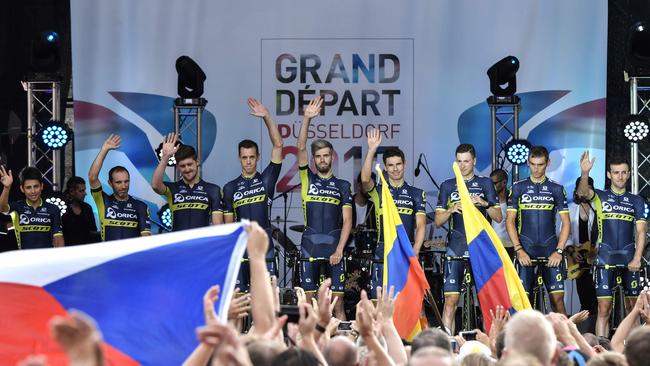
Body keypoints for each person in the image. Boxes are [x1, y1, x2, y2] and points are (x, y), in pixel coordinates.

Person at [576, 152, 647, 337]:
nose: (620, 176)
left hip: (629, 259)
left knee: (633, 311)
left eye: (624, 172)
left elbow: (641, 232)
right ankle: (602, 349)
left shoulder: (637, 201)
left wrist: (637, 258)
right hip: (604, 259)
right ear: (609, 174)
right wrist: (585, 173)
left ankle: (634, 353)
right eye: (616, 172)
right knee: (603, 310)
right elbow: (583, 193)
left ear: (629, 174)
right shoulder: (600, 196)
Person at [435, 143, 502, 333]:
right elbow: (438, 221)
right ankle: (448, 346)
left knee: (486, 300)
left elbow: (498, 216)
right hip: (456, 246)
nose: (463, 165)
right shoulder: (447, 185)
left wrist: (483, 202)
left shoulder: (485, 183)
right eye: (459, 161)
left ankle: (490, 344)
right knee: (450, 301)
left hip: (480, 248)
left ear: (474, 161)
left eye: (466, 161)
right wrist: (450, 209)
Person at [296, 95, 352, 320]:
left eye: (325, 155)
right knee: (309, 307)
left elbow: (348, 221)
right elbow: (300, 147)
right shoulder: (307, 179)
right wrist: (307, 119)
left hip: (334, 250)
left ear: (332, 158)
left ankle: (346, 352)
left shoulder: (342, 185)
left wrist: (339, 249)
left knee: (338, 308)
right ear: (314, 160)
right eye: (318, 156)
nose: (321, 159)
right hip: (309, 247)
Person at [222, 97, 283, 292]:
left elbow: (278, 146)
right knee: (240, 303)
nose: (248, 162)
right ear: (239, 158)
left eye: (252, 157)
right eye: (244, 158)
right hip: (241, 249)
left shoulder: (266, 180)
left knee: (266, 301)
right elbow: (229, 225)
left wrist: (267, 117)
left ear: (258, 158)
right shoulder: (230, 188)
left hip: (265, 247)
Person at [361, 129, 426, 299]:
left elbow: (421, 225)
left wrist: (416, 251)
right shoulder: (379, 191)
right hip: (383, 252)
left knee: (410, 303)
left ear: (404, 164)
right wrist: (371, 151)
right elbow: (365, 180)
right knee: (379, 303)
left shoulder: (416, 193)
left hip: (407, 252)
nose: (395, 169)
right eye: (390, 165)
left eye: (398, 164)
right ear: (385, 167)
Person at [506, 146, 570, 314]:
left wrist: (559, 251)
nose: (536, 169)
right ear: (528, 163)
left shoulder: (556, 188)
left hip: (550, 249)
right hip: (526, 248)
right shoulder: (517, 188)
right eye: (533, 164)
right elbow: (510, 222)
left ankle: (565, 340)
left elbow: (566, 223)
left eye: (540, 164)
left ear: (547, 163)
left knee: (558, 302)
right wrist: (519, 250)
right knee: (522, 303)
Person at [151, 132, 222, 230]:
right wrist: (165, 157)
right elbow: (155, 185)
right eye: (182, 166)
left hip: (202, 243)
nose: (187, 169)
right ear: (178, 167)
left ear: (197, 162)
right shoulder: (173, 189)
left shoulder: (213, 190)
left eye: (189, 164)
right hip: (179, 244)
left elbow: (217, 226)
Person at [88, 134, 151, 240]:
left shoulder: (140, 206)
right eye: (118, 182)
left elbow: (146, 238)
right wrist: (104, 150)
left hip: (131, 256)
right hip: (109, 256)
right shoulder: (103, 201)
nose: (123, 186)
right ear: (110, 183)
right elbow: (92, 177)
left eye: (126, 181)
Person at [0, 166, 64, 248]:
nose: (33, 191)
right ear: (22, 189)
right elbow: (2, 209)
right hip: (24, 259)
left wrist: (59, 258)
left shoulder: (53, 209)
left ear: (42, 186)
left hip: (47, 259)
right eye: (28, 187)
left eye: (36, 186)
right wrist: (6, 188)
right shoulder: (17, 207)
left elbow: (58, 237)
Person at [564, 176, 598, 319]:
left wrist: (596, 250)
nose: (584, 192)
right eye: (581, 189)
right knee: (584, 295)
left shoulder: (598, 209)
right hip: (579, 259)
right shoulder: (571, 210)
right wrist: (572, 252)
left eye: (587, 188)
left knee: (597, 298)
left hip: (597, 258)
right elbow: (565, 234)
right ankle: (586, 331)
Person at [61, 176, 99, 245]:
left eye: (84, 190)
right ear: (72, 191)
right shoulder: (62, 209)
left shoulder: (87, 208)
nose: (85, 193)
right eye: (81, 191)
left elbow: (93, 231)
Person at [490, 169, 513, 258]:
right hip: (492, 246)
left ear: (504, 182)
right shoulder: (488, 200)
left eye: (494, 183)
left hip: (510, 246)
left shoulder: (513, 199)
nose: (491, 187)